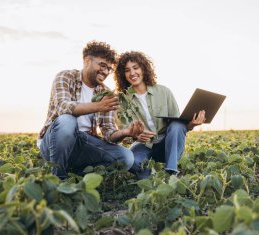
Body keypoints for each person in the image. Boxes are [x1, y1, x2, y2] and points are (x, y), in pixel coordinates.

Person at [38, 41, 144, 179]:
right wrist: (98, 106)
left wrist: (125, 132)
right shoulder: (65, 77)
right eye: (102, 65)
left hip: (84, 143)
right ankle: (58, 177)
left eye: (109, 69)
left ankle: (76, 175)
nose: (105, 71)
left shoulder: (105, 92)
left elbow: (108, 132)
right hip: (54, 143)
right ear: (87, 61)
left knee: (126, 157)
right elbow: (63, 107)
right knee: (67, 120)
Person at [114, 51, 206, 179]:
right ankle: (148, 176)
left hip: (166, 143)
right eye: (127, 70)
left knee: (177, 124)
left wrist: (191, 124)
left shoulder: (164, 92)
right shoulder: (121, 100)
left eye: (136, 68)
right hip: (142, 145)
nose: (132, 73)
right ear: (123, 75)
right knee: (133, 162)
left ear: (144, 69)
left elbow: (179, 126)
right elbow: (123, 131)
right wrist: (135, 135)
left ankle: (171, 171)